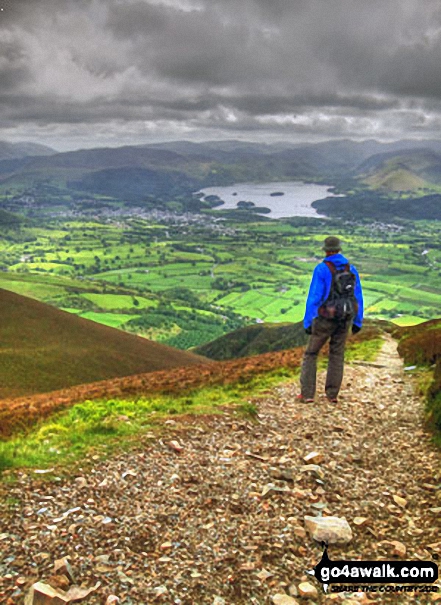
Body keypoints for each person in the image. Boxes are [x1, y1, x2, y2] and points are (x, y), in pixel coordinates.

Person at [297, 236, 363, 404]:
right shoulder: (351, 269)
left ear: (326, 250)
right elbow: (358, 297)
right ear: (339, 249)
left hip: (325, 318)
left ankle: (307, 394)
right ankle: (332, 394)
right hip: (345, 317)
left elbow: (315, 297)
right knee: (337, 354)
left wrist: (308, 322)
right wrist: (357, 321)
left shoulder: (322, 269)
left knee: (311, 353)